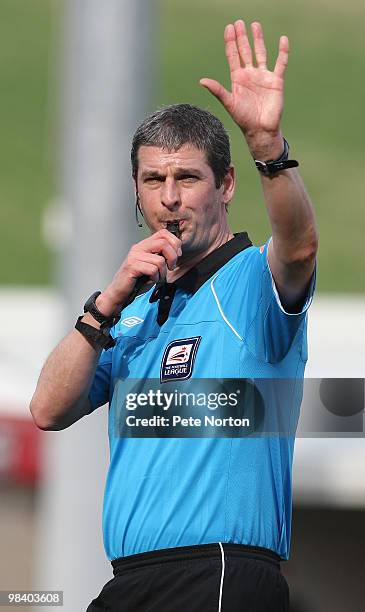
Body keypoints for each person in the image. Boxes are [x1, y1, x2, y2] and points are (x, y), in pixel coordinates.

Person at [30, 20, 318, 612]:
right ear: (135, 190)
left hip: (217, 573)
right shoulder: (131, 309)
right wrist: (105, 303)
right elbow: (47, 410)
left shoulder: (252, 283)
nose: (169, 198)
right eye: (152, 180)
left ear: (226, 184)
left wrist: (268, 146)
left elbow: (300, 247)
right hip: (129, 581)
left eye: (187, 178)